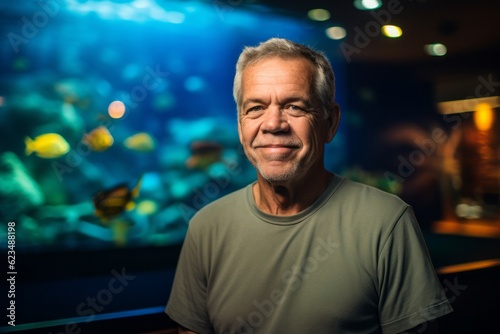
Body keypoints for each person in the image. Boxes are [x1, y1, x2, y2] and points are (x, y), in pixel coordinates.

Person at [165, 38, 453, 334]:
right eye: (255, 108)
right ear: (240, 127)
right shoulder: (205, 227)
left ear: (330, 122)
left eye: (294, 106)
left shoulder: (386, 222)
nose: (273, 124)